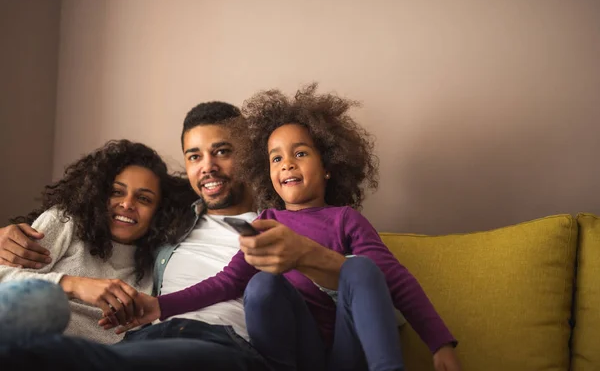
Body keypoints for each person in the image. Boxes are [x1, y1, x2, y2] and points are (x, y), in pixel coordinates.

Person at [106, 85, 460, 371]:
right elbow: (226, 283)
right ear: (265, 172)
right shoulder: (266, 225)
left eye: (301, 153)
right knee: (261, 282)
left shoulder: (346, 220)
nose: (287, 163)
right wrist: (159, 306)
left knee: (363, 268)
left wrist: (440, 343)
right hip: (293, 354)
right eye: (276, 158)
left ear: (329, 166)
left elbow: (393, 280)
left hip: (344, 352)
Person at [0, 100, 346, 371]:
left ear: (252, 157)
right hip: (145, 338)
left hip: (222, 345)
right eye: (195, 156)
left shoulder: (289, 224)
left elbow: (348, 292)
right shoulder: (171, 223)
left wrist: (311, 257)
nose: (207, 165)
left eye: (222, 151)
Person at [0, 139, 195, 345]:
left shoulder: (158, 263)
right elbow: (3, 278)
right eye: (116, 192)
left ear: (159, 211)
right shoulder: (66, 221)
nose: (128, 204)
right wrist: (73, 285)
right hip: (24, 340)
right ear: (98, 194)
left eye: (144, 199)